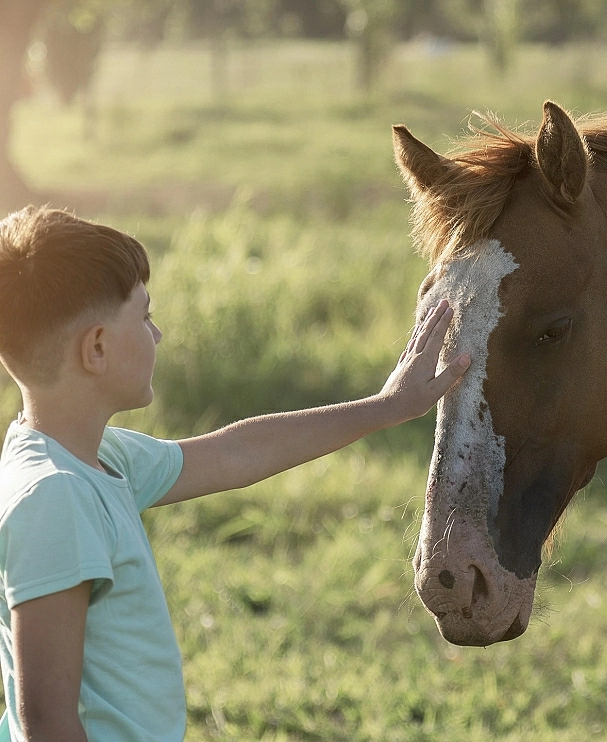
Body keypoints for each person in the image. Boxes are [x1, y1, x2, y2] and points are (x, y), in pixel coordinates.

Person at [0, 206, 469, 741]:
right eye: (145, 317)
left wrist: (386, 407)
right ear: (98, 348)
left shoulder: (95, 457)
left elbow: (236, 454)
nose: (158, 335)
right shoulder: (54, 499)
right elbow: (47, 719)